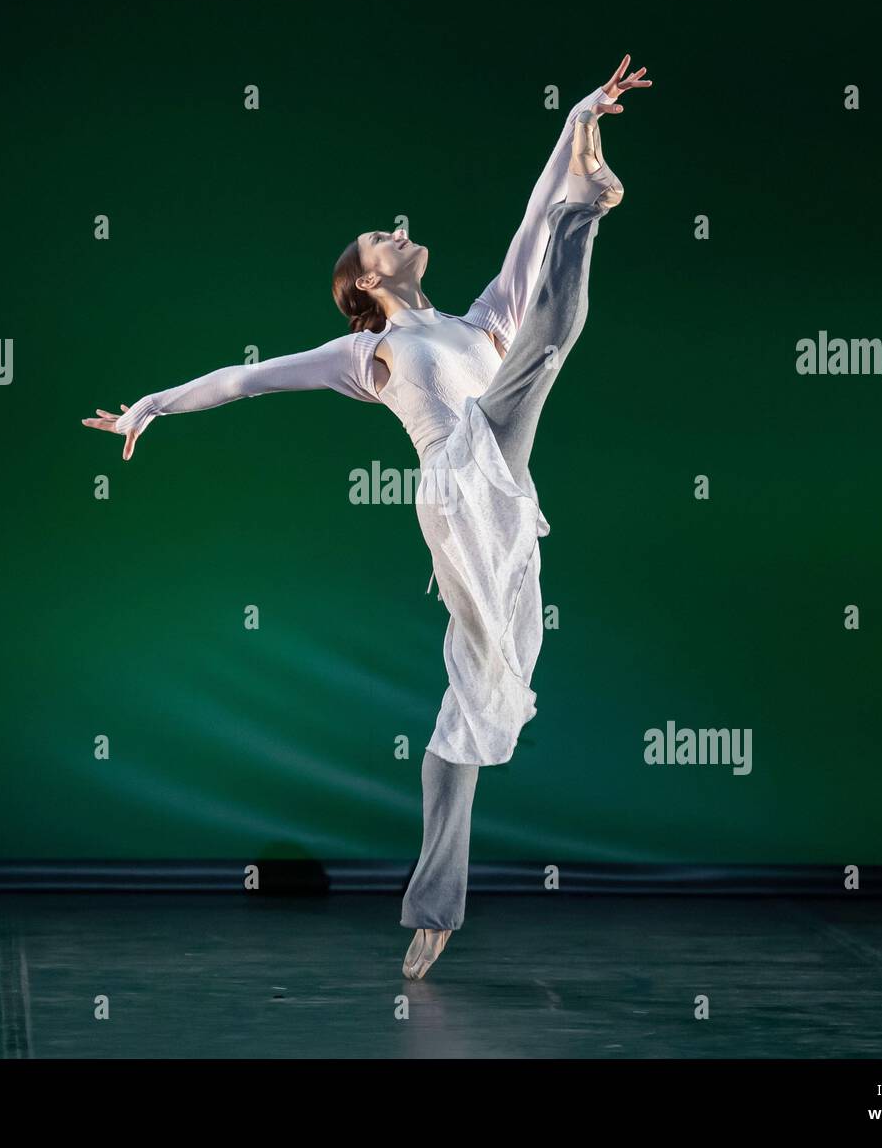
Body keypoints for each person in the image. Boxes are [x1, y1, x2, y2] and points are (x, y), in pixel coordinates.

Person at [83, 57, 652, 980]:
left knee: (470, 702)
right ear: (364, 285)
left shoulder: (476, 325)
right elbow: (248, 378)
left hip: (506, 498)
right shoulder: (373, 348)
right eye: (379, 238)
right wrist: (150, 403)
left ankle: (431, 907)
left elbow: (523, 228)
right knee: (544, 341)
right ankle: (590, 207)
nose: (397, 231)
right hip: (460, 483)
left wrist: (580, 116)